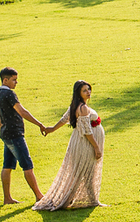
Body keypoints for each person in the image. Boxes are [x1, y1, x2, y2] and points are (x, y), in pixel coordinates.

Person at [33, 80, 105, 211]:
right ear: (79, 93)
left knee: (83, 171)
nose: (88, 92)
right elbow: (87, 131)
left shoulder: (75, 105)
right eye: (84, 90)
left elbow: (64, 119)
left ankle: (93, 199)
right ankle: (86, 199)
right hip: (85, 143)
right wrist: (96, 147)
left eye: (89, 89)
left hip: (79, 141)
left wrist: (52, 129)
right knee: (85, 171)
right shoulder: (82, 108)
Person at [0, 66, 49, 205]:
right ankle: (39, 196)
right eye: (14, 80)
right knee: (27, 165)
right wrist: (40, 124)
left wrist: (2, 131)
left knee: (7, 166)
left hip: (6, 134)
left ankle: (7, 198)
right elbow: (22, 112)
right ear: (5, 80)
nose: (16, 83)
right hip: (15, 135)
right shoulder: (9, 94)